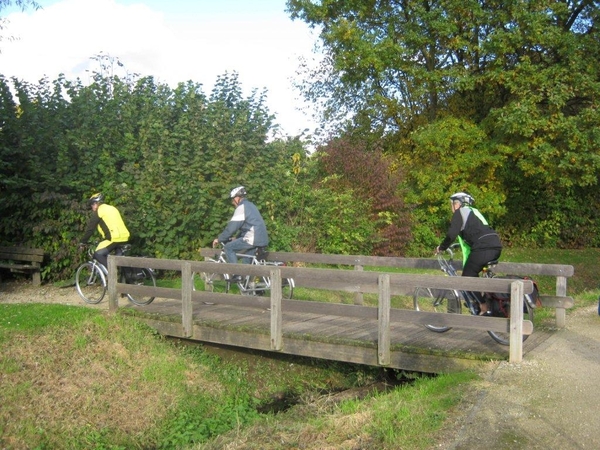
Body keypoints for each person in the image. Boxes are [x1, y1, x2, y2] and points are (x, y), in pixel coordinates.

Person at [435, 192, 502, 315]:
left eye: (452, 204)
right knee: (474, 272)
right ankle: (480, 301)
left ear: (457, 204)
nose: (451, 208)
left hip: (483, 248)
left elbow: (451, 234)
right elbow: (475, 233)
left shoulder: (459, 212)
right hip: (495, 245)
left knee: (467, 277)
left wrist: (442, 247)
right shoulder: (474, 212)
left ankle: (483, 305)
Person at [212, 186, 269, 273]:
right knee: (246, 261)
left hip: (252, 238)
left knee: (228, 248)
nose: (232, 202)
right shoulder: (251, 205)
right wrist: (237, 237)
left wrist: (219, 239)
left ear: (237, 198)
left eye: (233, 199)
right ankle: (247, 283)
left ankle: (236, 274)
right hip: (261, 238)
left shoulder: (241, 207)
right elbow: (248, 226)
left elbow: (231, 228)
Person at [79, 193, 131, 269]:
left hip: (114, 238)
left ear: (96, 203)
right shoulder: (112, 208)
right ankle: (123, 274)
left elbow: (90, 229)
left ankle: (113, 273)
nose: (92, 207)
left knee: (98, 254)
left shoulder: (99, 211)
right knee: (117, 259)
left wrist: (83, 242)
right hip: (124, 236)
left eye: (92, 205)